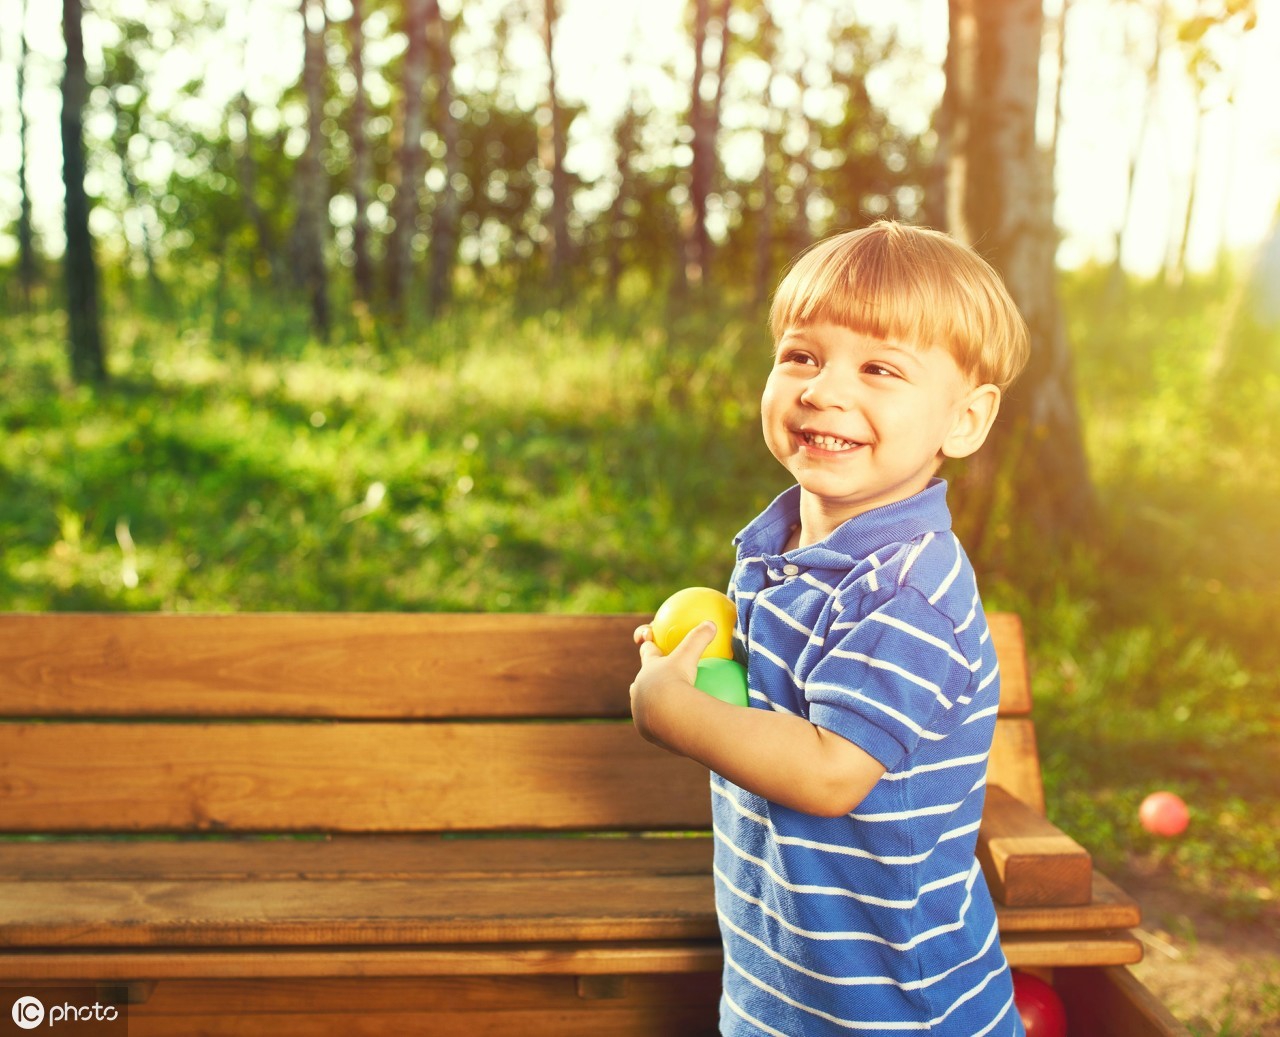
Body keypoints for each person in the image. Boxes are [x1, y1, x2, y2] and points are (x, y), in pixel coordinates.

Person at [629, 220, 1031, 1036]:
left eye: (879, 368)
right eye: (801, 355)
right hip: (784, 978)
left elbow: (829, 773)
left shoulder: (909, 594)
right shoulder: (780, 551)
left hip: (890, 1007)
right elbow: (772, 713)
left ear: (965, 419)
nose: (823, 389)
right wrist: (701, 672)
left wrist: (672, 710)